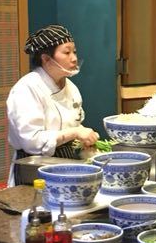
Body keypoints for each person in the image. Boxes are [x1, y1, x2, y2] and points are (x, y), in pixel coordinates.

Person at [6, 24, 99, 185]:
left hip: (67, 162)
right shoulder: (26, 88)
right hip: (34, 168)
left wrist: (84, 137)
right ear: (46, 59)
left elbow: (74, 122)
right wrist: (75, 132)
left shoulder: (71, 87)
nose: (74, 58)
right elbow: (32, 141)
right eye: (67, 52)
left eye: (74, 52)